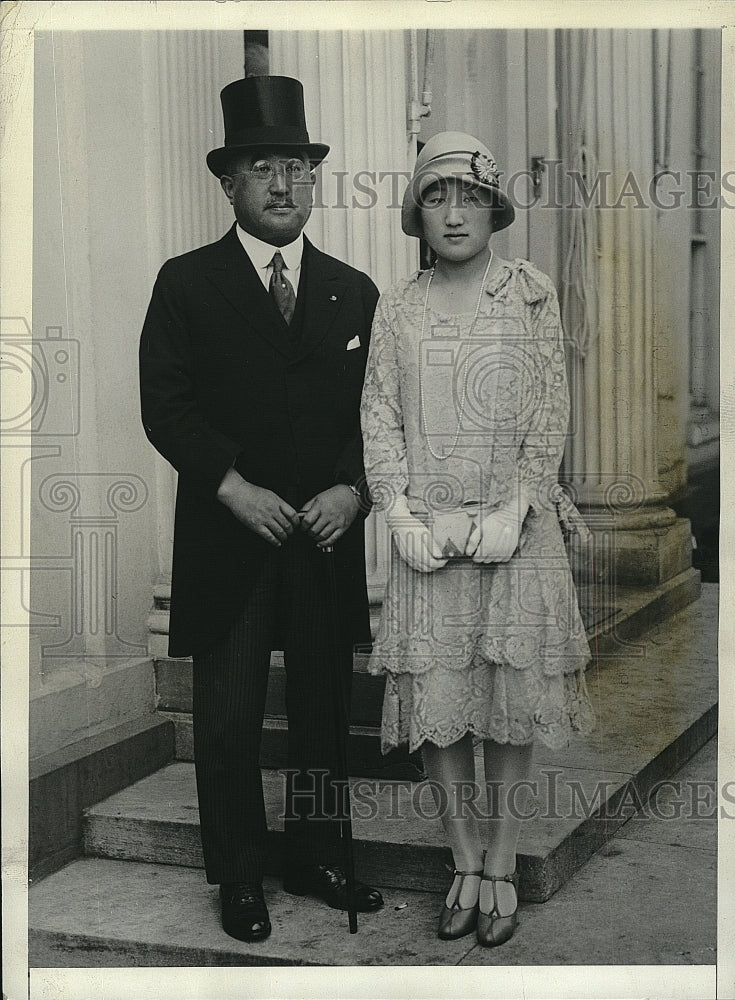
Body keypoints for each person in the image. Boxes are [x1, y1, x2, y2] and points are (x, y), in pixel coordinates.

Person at [139, 75, 383, 944]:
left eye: (294, 166)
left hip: (322, 538)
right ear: (228, 185)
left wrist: (352, 490)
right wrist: (232, 488)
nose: (281, 184)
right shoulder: (187, 283)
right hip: (228, 536)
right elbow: (164, 405)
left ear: (312, 181)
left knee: (323, 709)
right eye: (259, 168)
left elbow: (380, 413)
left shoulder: (353, 293)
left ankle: (316, 857)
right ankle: (239, 873)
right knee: (232, 715)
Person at [360, 132, 595, 947]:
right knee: (439, 707)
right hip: (430, 531)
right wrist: (397, 512)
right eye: (436, 196)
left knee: (506, 708)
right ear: (416, 211)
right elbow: (379, 414)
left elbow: (548, 409)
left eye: (467, 196)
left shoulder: (527, 294)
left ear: (492, 207)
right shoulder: (396, 306)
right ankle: (460, 860)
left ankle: (501, 863)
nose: (453, 213)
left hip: (512, 535)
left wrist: (516, 507)